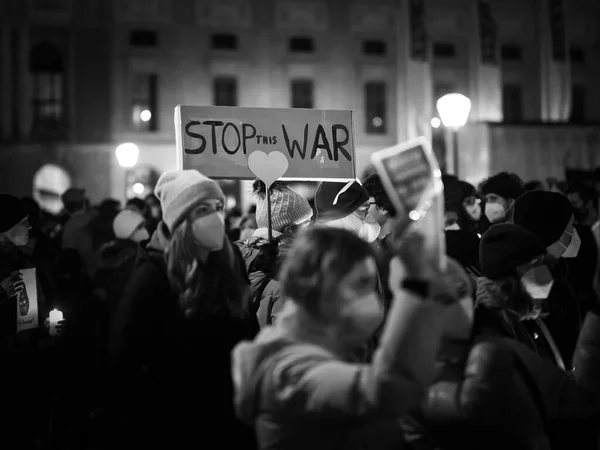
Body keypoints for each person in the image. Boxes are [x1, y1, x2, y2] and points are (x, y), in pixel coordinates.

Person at [232, 226, 462, 450]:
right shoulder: (289, 371)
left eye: (372, 284)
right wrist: (414, 291)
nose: (371, 297)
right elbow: (388, 389)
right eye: (361, 284)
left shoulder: (333, 350)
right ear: (319, 288)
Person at [158, 169, 259, 448]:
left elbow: (249, 333)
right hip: (182, 424)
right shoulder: (154, 276)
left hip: (233, 419)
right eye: (202, 209)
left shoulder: (231, 263)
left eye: (218, 207)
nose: (215, 216)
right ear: (181, 220)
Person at [236, 181, 313, 327]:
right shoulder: (288, 273)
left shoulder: (235, 253)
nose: (310, 229)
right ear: (289, 230)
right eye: (307, 224)